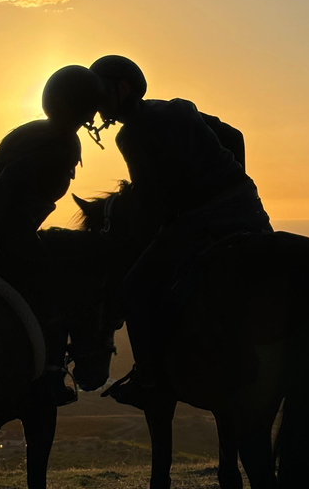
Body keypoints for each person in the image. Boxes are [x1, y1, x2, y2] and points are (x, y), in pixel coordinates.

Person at [88, 55, 273, 409]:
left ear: (123, 89)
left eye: (101, 94)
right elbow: (234, 136)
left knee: (135, 287)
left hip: (200, 221)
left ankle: (148, 379)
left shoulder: (131, 135)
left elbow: (148, 200)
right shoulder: (177, 108)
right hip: (247, 208)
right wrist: (234, 184)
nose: (97, 107)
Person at [0, 65, 104, 406]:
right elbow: (9, 180)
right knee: (52, 290)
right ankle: (52, 377)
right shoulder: (63, 144)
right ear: (85, 108)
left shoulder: (28, 132)